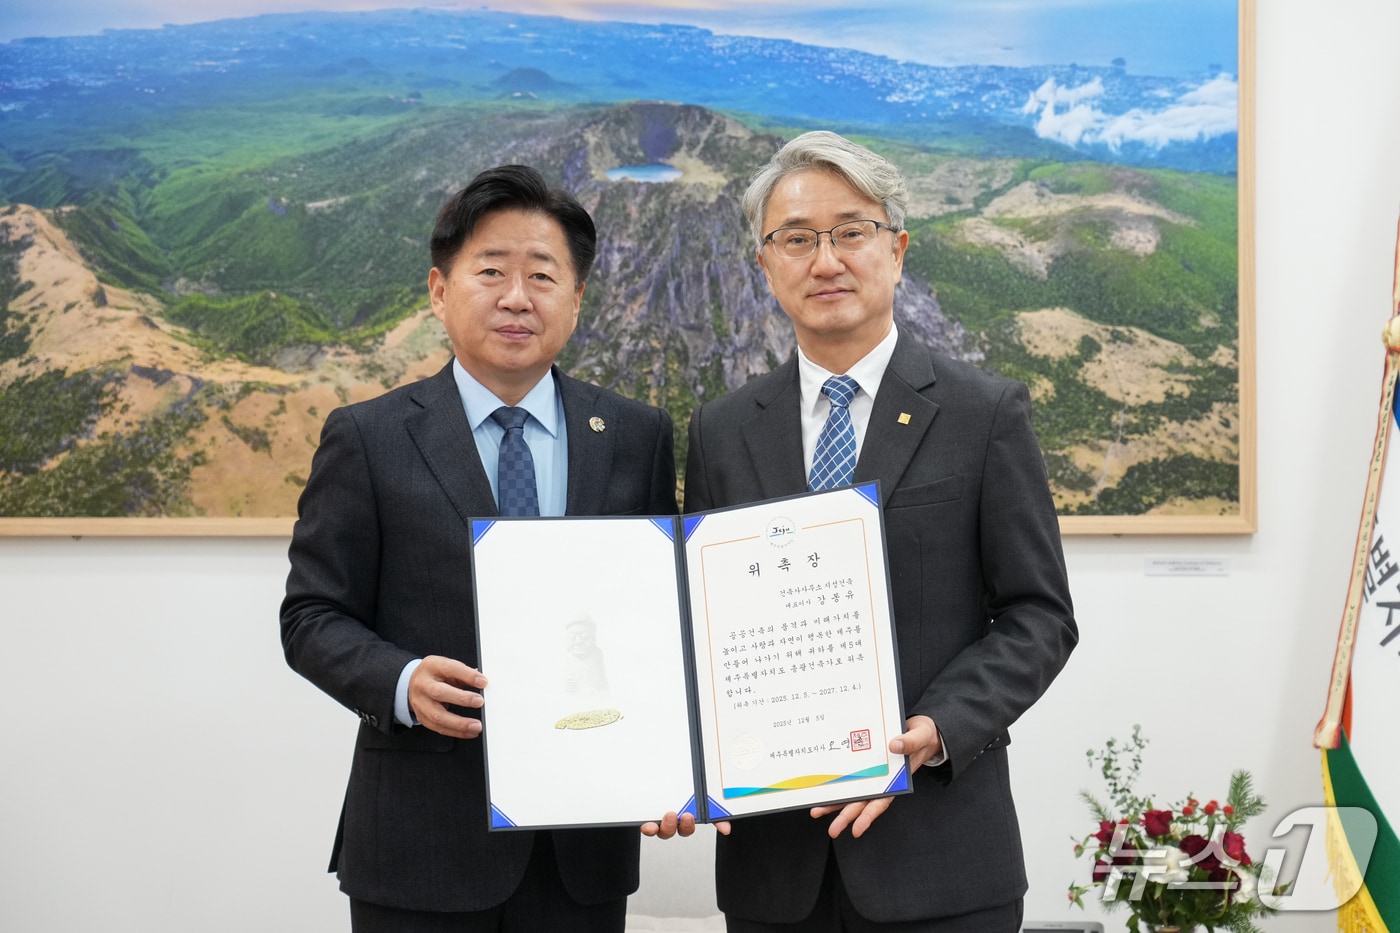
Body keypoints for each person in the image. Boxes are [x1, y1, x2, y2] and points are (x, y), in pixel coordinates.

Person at [684, 131, 1078, 932]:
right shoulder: (723, 431)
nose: (825, 260)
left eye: (850, 231)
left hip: (941, 859)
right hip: (774, 872)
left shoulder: (983, 413)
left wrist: (937, 729)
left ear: (895, 250)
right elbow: (700, 624)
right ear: (766, 268)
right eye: (796, 239)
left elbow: (1040, 615)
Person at [281, 164, 689, 933]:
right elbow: (310, 616)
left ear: (575, 299)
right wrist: (401, 679)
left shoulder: (637, 436)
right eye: (491, 271)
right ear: (440, 290)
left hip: (583, 850)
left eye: (543, 275)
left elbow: (658, 621)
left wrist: (673, 766)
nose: (516, 297)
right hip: (420, 846)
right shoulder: (368, 438)